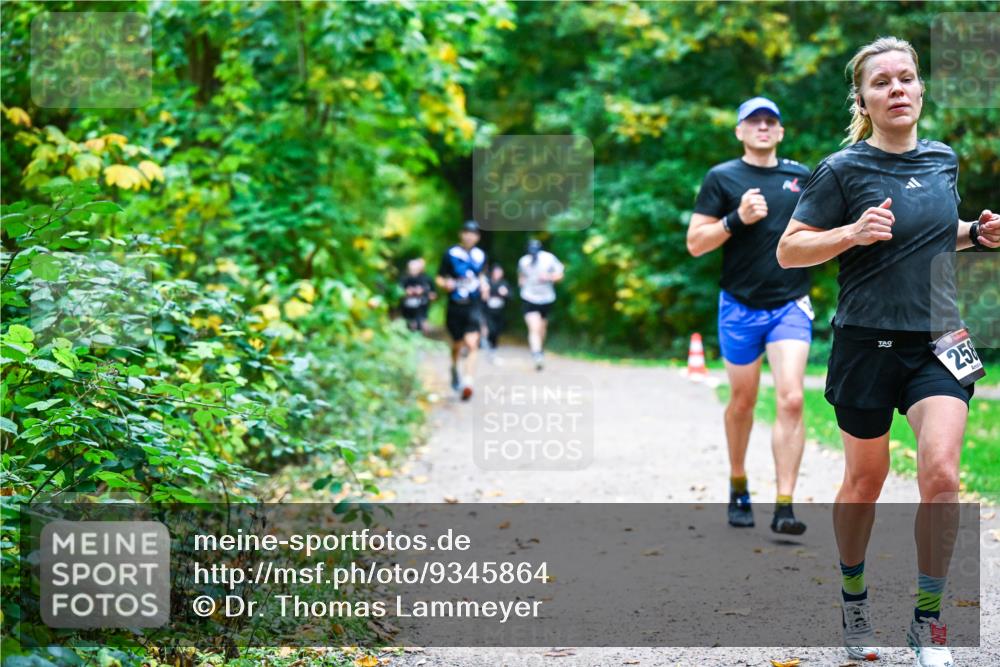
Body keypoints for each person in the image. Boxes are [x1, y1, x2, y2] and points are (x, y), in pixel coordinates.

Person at [776, 36, 999, 666]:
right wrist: (849, 232)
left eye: (906, 78)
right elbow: (789, 249)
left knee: (943, 476)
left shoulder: (942, 160)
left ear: (921, 90)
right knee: (866, 480)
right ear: (864, 99)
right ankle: (854, 600)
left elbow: (930, 237)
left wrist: (976, 235)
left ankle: (927, 624)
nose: (897, 89)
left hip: (938, 341)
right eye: (882, 82)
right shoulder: (842, 169)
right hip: (865, 344)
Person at [687, 96, 813, 536]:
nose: (762, 127)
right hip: (739, 305)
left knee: (792, 398)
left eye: (770, 121)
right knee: (742, 401)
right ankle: (738, 483)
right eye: (753, 121)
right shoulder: (722, 177)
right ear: (739, 131)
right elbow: (695, 243)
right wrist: (735, 219)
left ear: (780, 131)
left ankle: (784, 505)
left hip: (790, 303)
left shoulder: (801, 177)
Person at [436, 220, 489, 400]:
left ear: (478, 237)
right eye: (466, 232)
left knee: (473, 343)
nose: (469, 236)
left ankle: (468, 382)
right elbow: (439, 277)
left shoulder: (480, 256)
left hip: (473, 305)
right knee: (457, 344)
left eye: (473, 233)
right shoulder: (451, 254)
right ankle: (454, 367)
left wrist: (484, 285)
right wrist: (446, 284)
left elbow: (481, 275)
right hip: (455, 305)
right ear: (461, 234)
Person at [517, 239, 564, 371]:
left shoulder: (548, 259)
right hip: (529, 297)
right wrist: (522, 282)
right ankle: (536, 354)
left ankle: (539, 350)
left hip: (546, 298)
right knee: (534, 327)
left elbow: (560, 275)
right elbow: (520, 276)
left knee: (542, 328)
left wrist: (549, 277)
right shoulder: (523, 261)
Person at [399, 257, 436, 334]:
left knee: (422, 325)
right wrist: (406, 292)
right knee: (410, 326)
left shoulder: (426, 279)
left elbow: (433, 294)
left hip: (421, 307)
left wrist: (423, 292)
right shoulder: (404, 279)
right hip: (407, 309)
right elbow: (398, 292)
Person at [483, 263, 511, 361]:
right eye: (496, 272)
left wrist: (506, 293)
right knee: (491, 329)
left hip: (499, 312)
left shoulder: (504, 284)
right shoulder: (488, 283)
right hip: (488, 311)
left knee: (497, 331)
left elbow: (511, 297)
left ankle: (493, 350)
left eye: (500, 272)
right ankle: (486, 343)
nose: (498, 274)